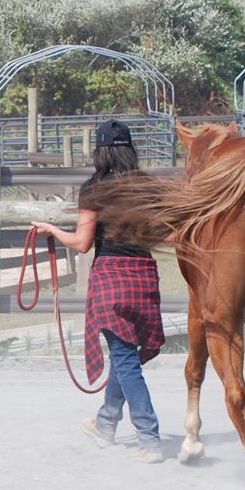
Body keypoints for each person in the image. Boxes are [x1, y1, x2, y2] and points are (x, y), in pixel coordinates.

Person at [31, 120, 166, 463]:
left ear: (101, 152)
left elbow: (82, 243)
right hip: (144, 276)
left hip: (111, 277)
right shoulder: (148, 186)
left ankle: (149, 436)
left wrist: (53, 231)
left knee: (124, 358)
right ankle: (106, 423)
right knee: (126, 355)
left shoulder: (94, 188)